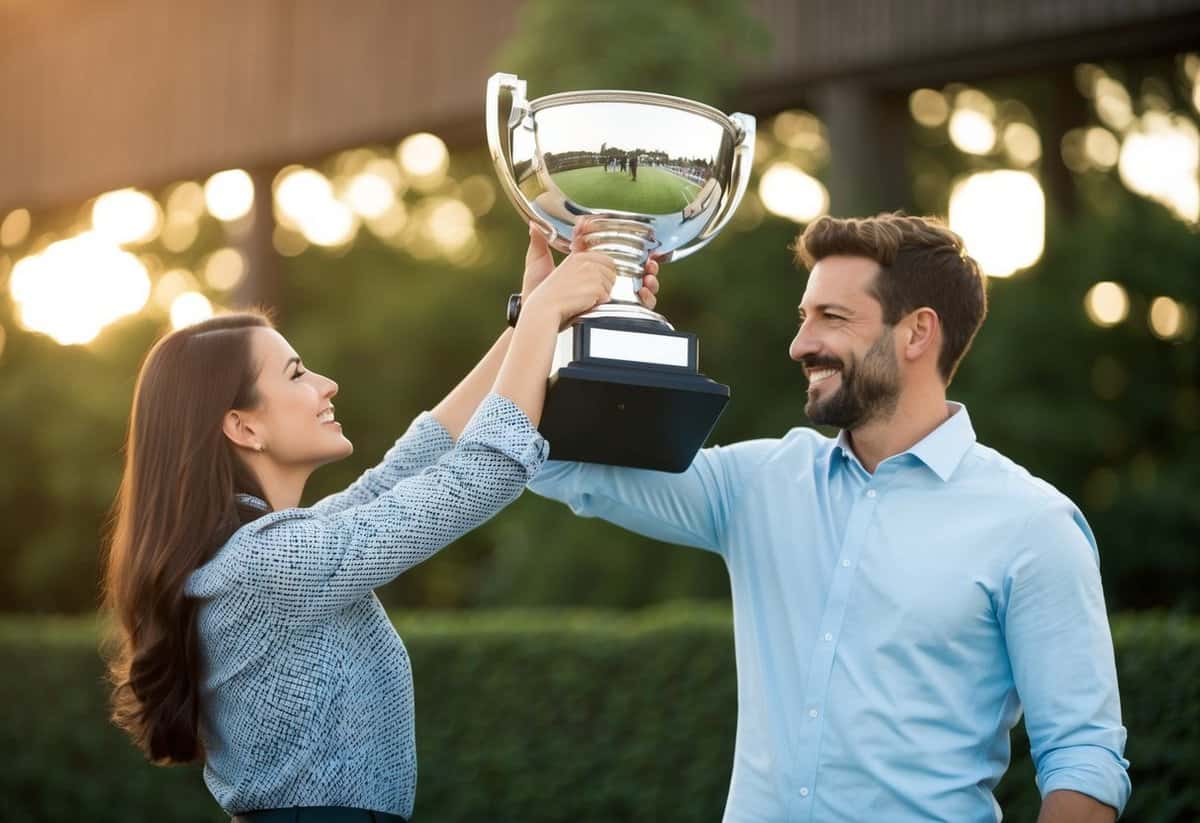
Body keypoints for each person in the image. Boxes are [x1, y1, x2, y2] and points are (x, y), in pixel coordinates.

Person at [526, 213, 1131, 821]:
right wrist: (541, 322)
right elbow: (543, 457)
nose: (800, 345)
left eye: (832, 318)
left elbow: (1083, 758)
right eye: (803, 317)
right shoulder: (758, 483)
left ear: (917, 333)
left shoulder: (1034, 525)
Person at [101, 227, 658, 823]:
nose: (326, 384)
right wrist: (547, 315)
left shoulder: (270, 552)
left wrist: (527, 322)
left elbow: (413, 466)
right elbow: (474, 479)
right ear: (243, 427)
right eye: (296, 375)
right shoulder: (271, 564)